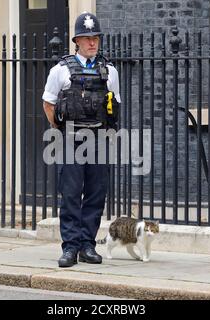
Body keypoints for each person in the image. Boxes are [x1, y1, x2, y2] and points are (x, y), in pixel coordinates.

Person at [42, 12, 121, 268]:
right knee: (71, 194)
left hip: (98, 139)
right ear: (76, 40)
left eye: (95, 38)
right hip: (71, 140)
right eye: (86, 38)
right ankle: (70, 248)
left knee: (97, 194)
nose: (92, 43)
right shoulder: (60, 70)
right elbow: (48, 103)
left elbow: (114, 104)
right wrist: (62, 130)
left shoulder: (109, 70)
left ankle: (88, 245)